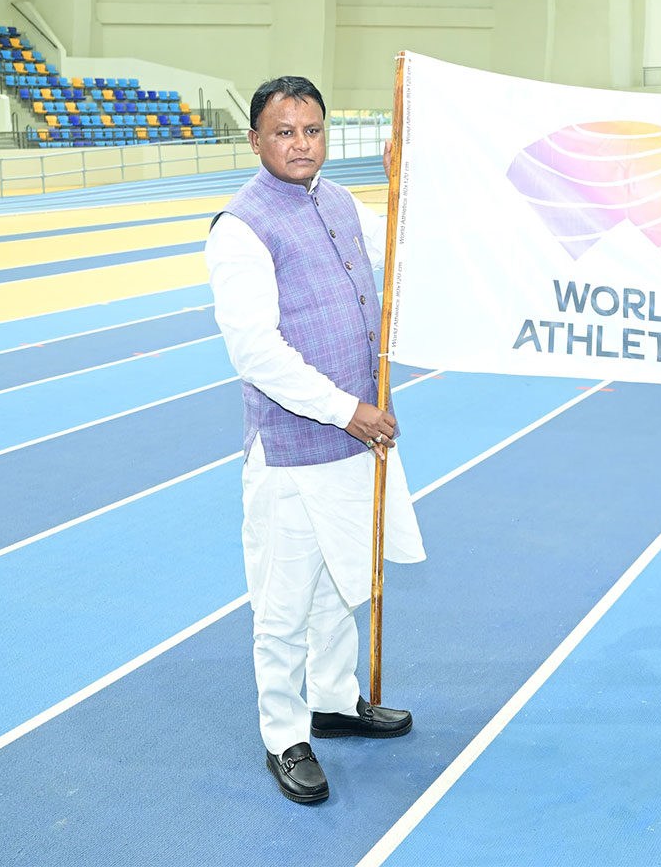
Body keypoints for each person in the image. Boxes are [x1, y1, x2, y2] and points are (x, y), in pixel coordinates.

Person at [205, 76, 426, 804]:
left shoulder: (335, 199)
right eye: (284, 132)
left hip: (352, 441)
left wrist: (402, 183)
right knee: (283, 604)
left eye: (312, 131)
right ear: (256, 139)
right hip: (296, 448)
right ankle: (284, 734)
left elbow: (395, 251)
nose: (301, 145)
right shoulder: (241, 227)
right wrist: (346, 410)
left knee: (341, 584)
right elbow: (256, 353)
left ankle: (332, 703)